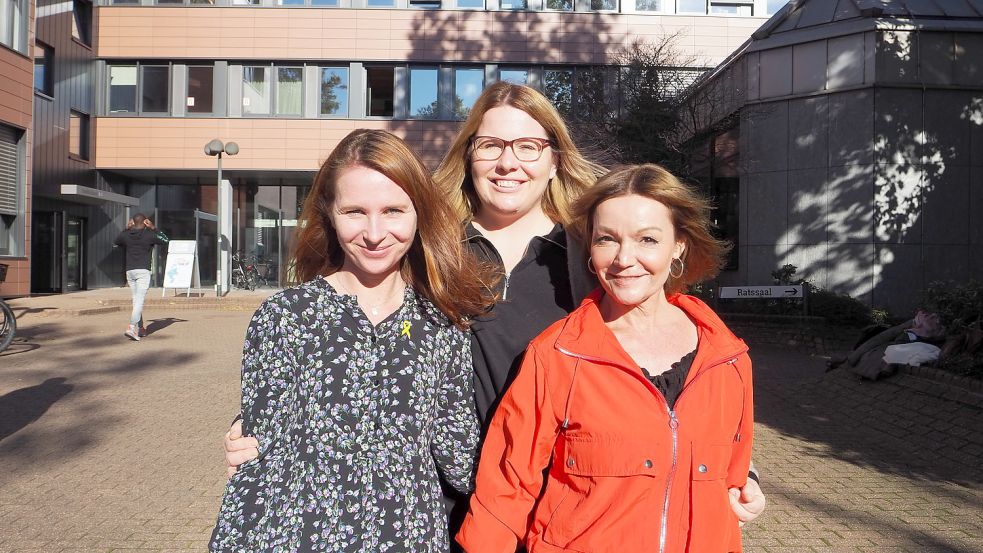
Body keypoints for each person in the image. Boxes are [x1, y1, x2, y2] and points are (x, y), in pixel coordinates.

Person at [223, 82, 765, 525]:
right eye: (491, 146)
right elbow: (338, 335)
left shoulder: (590, 252)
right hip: (440, 501)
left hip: (560, 496)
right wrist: (258, 429)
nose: (509, 163)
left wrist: (737, 470)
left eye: (527, 147)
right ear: (469, 157)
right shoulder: (427, 246)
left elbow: (666, 367)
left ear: (553, 160)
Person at [209, 129, 495, 552]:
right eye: (355, 212)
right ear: (330, 213)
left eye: (394, 211)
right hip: (298, 536)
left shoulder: (441, 324)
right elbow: (258, 450)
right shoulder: (286, 316)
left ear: (419, 213)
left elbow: (459, 453)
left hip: (407, 537)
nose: (375, 233)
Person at [457, 164, 755, 553]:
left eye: (647, 239)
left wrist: (750, 483)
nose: (623, 259)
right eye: (607, 240)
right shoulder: (557, 355)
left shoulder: (727, 358)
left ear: (679, 244)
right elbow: (506, 488)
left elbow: (732, 470)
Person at [114, 213, 168, 341]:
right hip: (143, 271)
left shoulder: (125, 234)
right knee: (139, 300)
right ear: (145, 222)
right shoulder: (149, 234)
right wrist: (154, 228)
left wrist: (127, 228)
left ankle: (141, 328)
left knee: (136, 300)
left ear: (132, 222)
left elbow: (116, 241)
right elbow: (166, 240)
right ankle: (131, 327)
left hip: (130, 271)